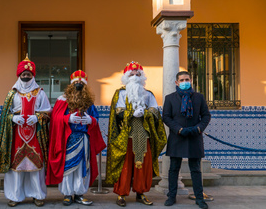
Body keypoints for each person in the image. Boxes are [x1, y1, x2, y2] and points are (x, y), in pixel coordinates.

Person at [106, 61, 167, 207]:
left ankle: (141, 193)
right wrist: (133, 113)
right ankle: (121, 193)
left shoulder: (148, 94)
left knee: (143, 166)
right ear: (126, 77)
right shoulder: (120, 93)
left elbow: (155, 112)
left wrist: (144, 113)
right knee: (125, 165)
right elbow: (118, 112)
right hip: (125, 135)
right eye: (131, 74)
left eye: (137, 74)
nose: (135, 76)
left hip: (144, 134)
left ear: (142, 77)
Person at [0, 55, 51, 207]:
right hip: (16, 135)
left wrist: (38, 116)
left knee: (36, 167)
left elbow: (48, 113)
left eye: (29, 74)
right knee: (16, 168)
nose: (26, 76)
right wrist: (12, 118)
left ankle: (38, 195)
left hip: (35, 135)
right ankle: (14, 196)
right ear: (19, 75)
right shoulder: (11, 93)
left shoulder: (40, 93)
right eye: (23, 74)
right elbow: (5, 114)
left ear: (33, 75)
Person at [46, 70, 106, 206]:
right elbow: (55, 118)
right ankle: (67, 194)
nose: (78, 84)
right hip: (67, 139)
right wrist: (67, 118)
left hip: (84, 140)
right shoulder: (62, 100)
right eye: (76, 82)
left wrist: (91, 120)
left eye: (81, 82)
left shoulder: (89, 103)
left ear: (84, 85)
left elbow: (96, 118)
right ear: (71, 84)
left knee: (82, 168)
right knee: (68, 167)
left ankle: (79, 194)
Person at [162, 71, 211, 209]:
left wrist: (198, 128)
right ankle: (171, 197)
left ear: (191, 80)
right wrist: (178, 129)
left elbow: (206, 115)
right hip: (177, 136)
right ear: (177, 83)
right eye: (182, 80)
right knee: (173, 169)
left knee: (195, 169)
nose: (185, 82)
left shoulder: (199, 97)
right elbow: (166, 117)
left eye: (187, 79)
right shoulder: (170, 98)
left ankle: (199, 198)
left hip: (194, 136)